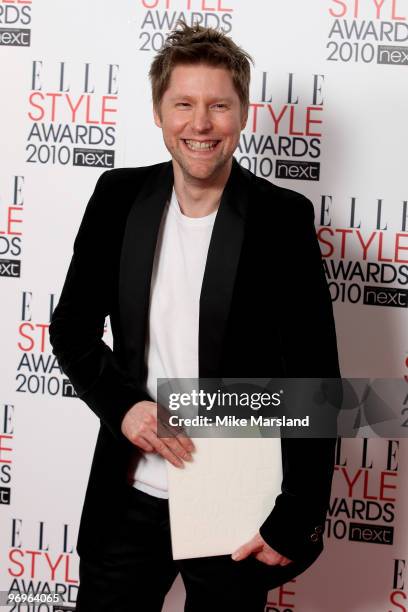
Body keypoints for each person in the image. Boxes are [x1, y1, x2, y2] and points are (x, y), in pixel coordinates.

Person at [49, 21, 340, 612]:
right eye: (183, 104)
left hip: (234, 505)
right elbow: (71, 330)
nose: (200, 124)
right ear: (159, 112)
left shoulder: (282, 219)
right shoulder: (116, 197)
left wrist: (297, 516)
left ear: (242, 112)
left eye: (218, 106)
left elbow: (317, 378)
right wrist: (125, 407)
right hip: (128, 494)